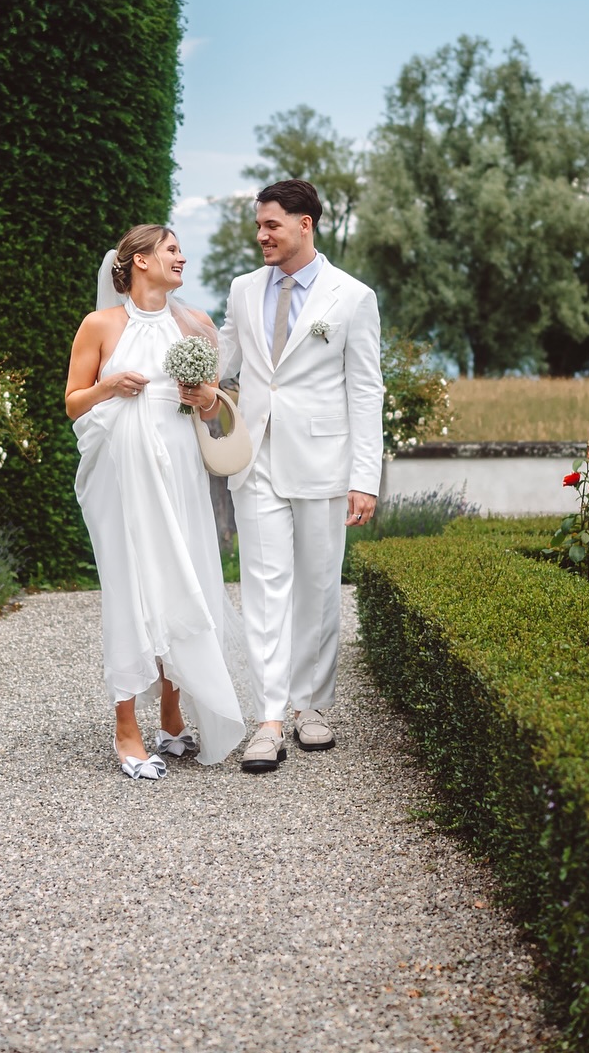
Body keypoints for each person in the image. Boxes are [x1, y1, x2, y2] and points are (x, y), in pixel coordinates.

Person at [65, 224, 246, 780]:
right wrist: (109, 386)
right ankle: (126, 726)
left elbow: (213, 412)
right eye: (171, 249)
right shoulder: (100, 325)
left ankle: (172, 715)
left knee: (185, 579)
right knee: (131, 586)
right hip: (123, 475)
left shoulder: (197, 326)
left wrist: (206, 397)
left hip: (181, 474)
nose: (181, 257)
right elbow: (73, 404)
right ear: (139, 261)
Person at [217, 180, 383, 773]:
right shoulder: (241, 290)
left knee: (317, 587)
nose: (261, 236)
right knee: (264, 588)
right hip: (256, 459)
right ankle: (268, 719)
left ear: (305, 224)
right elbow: (223, 362)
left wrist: (365, 477)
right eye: (259, 226)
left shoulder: (352, 297)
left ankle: (313, 707)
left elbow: (365, 391)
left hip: (323, 464)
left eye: (271, 226)